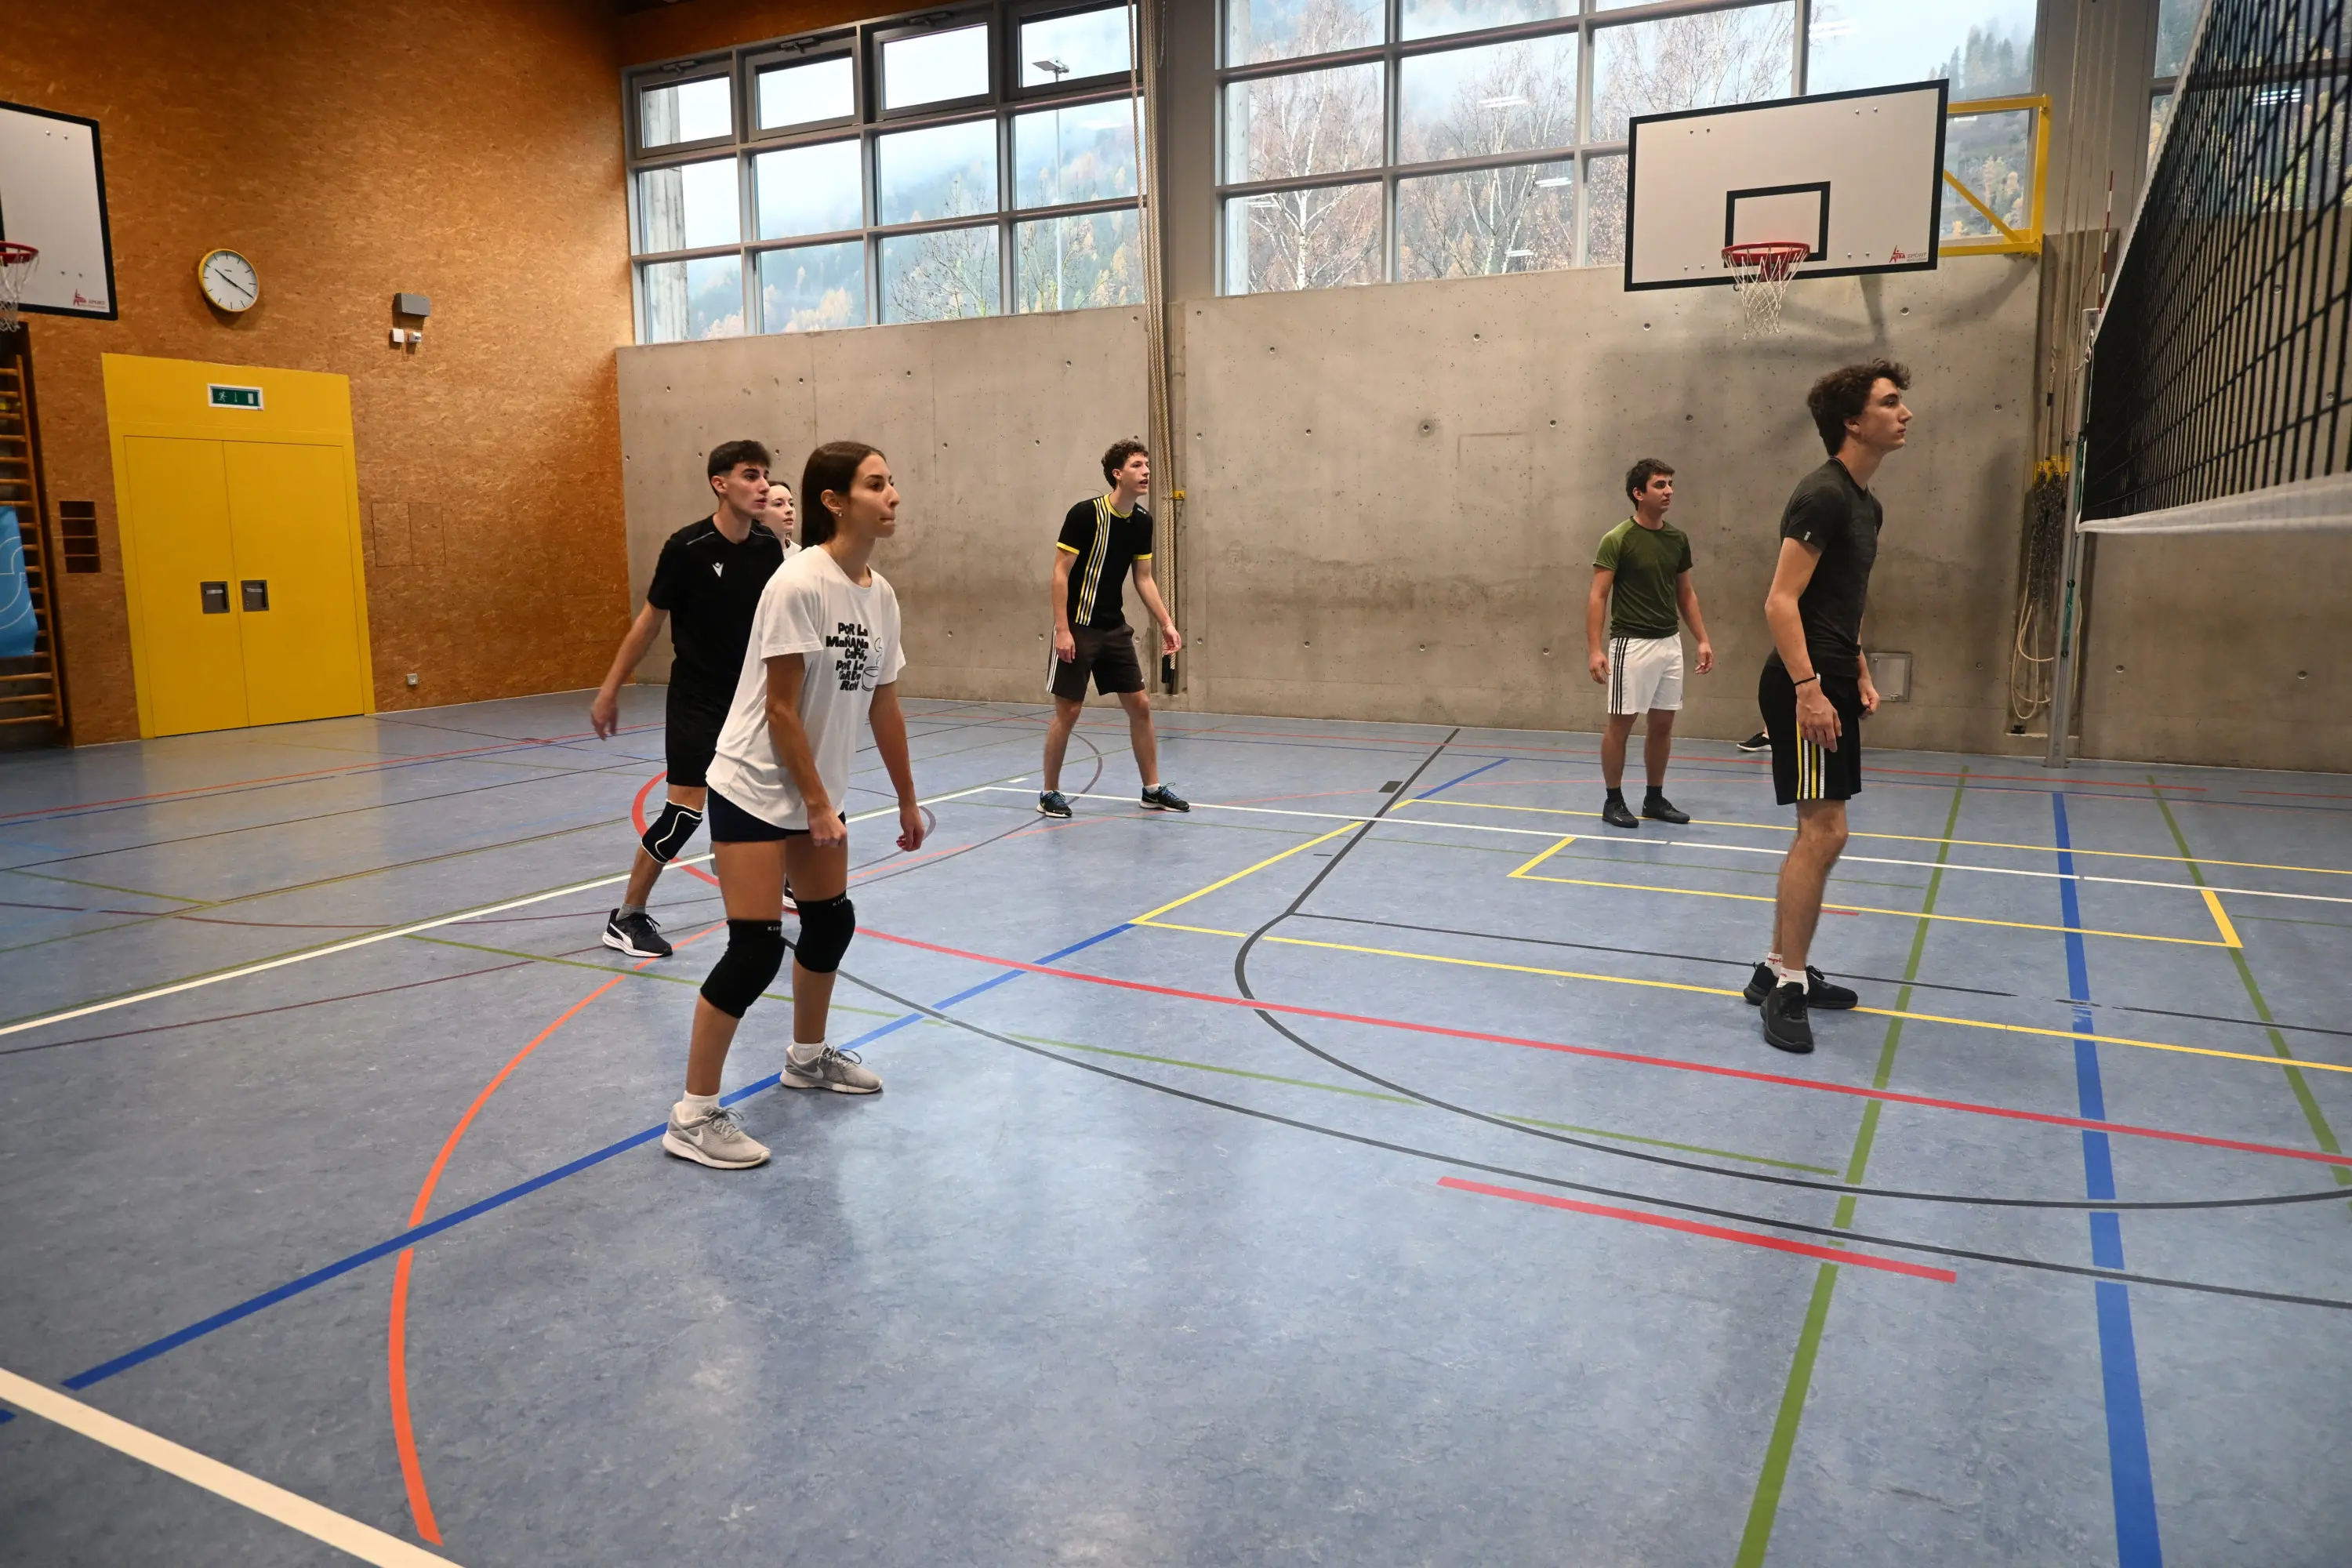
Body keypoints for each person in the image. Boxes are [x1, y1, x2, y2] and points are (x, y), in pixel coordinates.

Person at [662, 441, 924, 1171]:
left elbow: (885, 704)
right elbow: (780, 710)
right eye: (877, 484)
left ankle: (807, 1059)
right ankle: (692, 1115)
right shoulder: (798, 582)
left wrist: (906, 798)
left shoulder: (881, 593)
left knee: (830, 922)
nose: (893, 495)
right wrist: (815, 804)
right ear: (835, 501)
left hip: (816, 794)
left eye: (892, 480)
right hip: (753, 783)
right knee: (752, 950)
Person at [1748, 361, 1911, 1054]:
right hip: (1801, 682)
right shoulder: (1822, 495)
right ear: (1853, 421)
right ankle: (1785, 984)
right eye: (1890, 403)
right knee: (1825, 832)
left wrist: (1860, 668)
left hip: (1832, 674)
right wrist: (1810, 690)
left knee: (1822, 831)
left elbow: (1842, 602)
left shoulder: (1866, 504)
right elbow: (1780, 601)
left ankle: (1774, 968)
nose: (1905, 413)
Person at [591, 441, 792, 958]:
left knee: (772, 800)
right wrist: (611, 687)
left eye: (766, 475)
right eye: (751, 475)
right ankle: (627, 917)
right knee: (684, 814)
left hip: (749, 703)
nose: (764, 485)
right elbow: (649, 623)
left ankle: (773, 887)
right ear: (719, 484)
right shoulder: (688, 548)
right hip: (697, 702)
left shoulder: (768, 548)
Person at [1037, 440, 1189, 818]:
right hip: (1078, 627)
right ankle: (1048, 792)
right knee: (1069, 711)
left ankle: (1152, 789)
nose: (1146, 472)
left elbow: (1144, 578)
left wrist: (1167, 623)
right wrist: (1062, 629)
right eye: (1138, 465)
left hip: (1114, 628)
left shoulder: (1142, 522)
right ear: (1117, 474)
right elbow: (1060, 573)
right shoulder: (1084, 515)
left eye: (1148, 465)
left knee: (1140, 705)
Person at [1586, 459, 1713, 829]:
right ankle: (1613, 801)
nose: (1669, 490)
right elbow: (1598, 596)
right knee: (1620, 726)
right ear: (1638, 494)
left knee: (1662, 726)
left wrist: (1702, 639)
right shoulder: (1617, 539)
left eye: (1670, 483)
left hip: (1669, 643)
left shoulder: (1677, 539)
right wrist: (1595, 649)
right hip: (1631, 645)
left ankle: (1654, 799)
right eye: (1660, 485)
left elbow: (1685, 595)